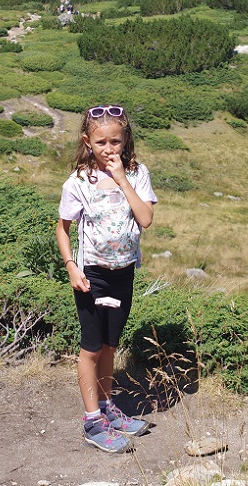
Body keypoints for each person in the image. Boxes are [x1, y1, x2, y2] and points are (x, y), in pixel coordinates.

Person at [56, 105, 158, 454]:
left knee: (111, 346)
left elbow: (145, 218)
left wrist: (122, 180)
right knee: (91, 347)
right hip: (92, 275)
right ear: (87, 141)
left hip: (123, 271)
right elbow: (63, 229)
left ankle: (107, 407)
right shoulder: (78, 182)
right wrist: (71, 266)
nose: (109, 148)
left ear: (125, 139)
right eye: (101, 142)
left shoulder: (137, 173)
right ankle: (91, 421)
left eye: (116, 141)